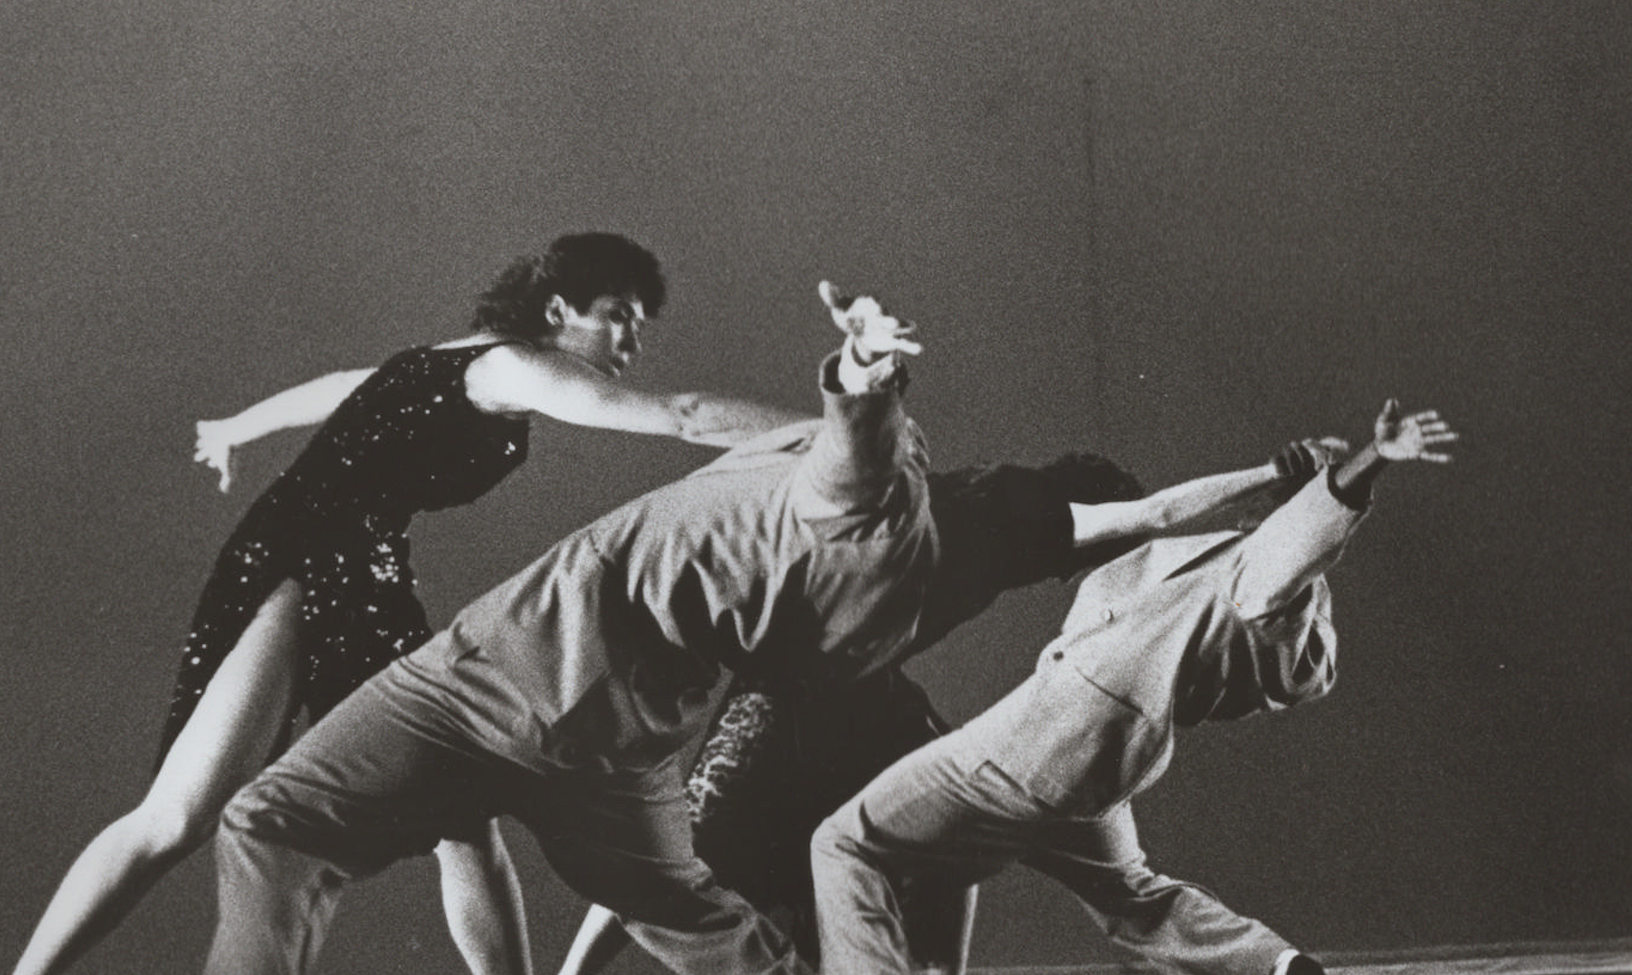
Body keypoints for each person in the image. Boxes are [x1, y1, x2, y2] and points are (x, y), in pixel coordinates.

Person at [10, 232, 810, 975]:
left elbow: (341, 391)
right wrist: (833, 431)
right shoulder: (512, 366)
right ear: (559, 309)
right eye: (618, 321)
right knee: (180, 817)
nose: (629, 346)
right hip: (311, 561)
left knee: (463, 824)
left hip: (354, 566)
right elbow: (682, 414)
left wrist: (235, 426)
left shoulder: (446, 359)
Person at [200, 282, 931, 975]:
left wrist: (865, 382)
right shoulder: (888, 539)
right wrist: (858, 397)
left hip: (496, 679)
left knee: (271, 821)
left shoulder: (856, 502)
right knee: (686, 913)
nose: (628, 341)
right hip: (618, 746)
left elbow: (737, 429)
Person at [557, 440, 1349, 975]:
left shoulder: (1000, 547)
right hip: (810, 711)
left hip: (898, 716)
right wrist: (1268, 476)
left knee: (879, 850)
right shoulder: (1007, 521)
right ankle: (1267, 964)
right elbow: (1156, 519)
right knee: (819, 857)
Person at [810, 399, 1459, 975]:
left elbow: (1294, 538)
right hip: (1106, 767)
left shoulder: (1255, 581)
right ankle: (1276, 966)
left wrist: (1365, 460)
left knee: (845, 843)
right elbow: (1176, 516)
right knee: (1133, 898)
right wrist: (1278, 476)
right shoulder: (1192, 574)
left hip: (1064, 722)